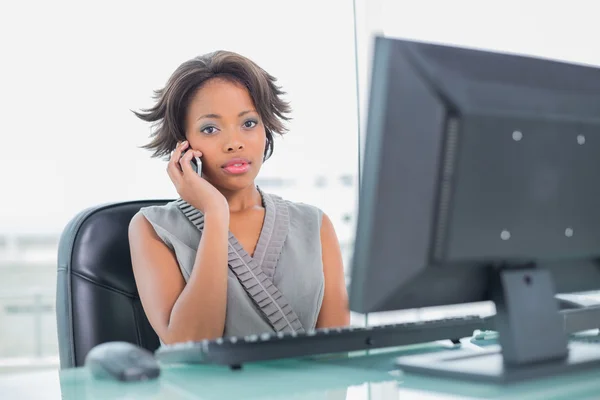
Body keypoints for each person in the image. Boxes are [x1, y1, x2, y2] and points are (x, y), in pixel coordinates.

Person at [128, 50, 350, 345]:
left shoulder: (315, 224)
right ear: (184, 143)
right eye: (210, 129)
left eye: (248, 123)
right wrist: (215, 213)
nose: (234, 143)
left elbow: (337, 355)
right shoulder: (151, 228)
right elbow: (190, 344)